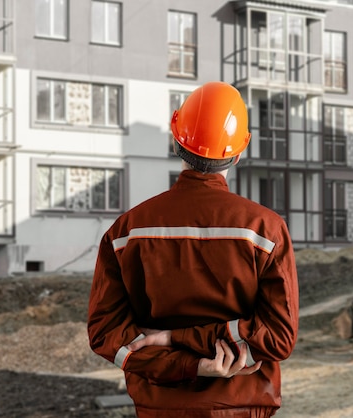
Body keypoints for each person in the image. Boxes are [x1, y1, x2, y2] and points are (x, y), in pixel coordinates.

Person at [87, 81, 299, 418]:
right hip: (242, 406)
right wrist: (193, 347)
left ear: (176, 141)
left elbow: (105, 335)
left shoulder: (125, 232)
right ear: (240, 150)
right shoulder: (266, 230)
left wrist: (181, 352)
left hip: (159, 408)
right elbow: (278, 339)